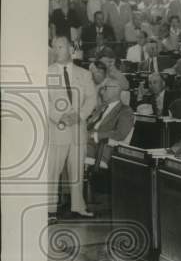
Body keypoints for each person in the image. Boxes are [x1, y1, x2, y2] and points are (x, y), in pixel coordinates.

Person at [47, 35, 98, 219]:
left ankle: (78, 206)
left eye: (60, 47)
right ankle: (49, 210)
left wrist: (80, 115)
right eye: (54, 47)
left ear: (71, 49)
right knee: (53, 171)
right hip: (57, 129)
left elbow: (92, 98)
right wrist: (60, 117)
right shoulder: (47, 73)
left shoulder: (84, 74)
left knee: (77, 171)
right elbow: (44, 100)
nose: (56, 50)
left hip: (77, 129)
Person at [86, 80, 135, 169]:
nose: (101, 92)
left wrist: (95, 135)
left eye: (105, 88)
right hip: (85, 142)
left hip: (99, 148)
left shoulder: (126, 111)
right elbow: (89, 124)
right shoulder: (101, 107)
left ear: (115, 90)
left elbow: (120, 134)